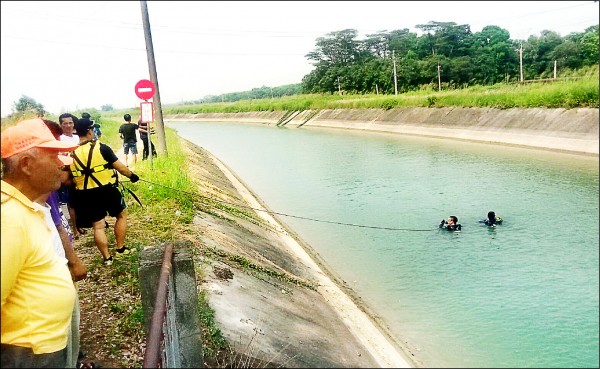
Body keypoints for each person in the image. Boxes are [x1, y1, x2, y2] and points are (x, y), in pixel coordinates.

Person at [1, 118, 79, 368]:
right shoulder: (7, 218)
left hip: (39, 348)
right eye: (54, 157)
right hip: (27, 353)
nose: (60, 165)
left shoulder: (27, 206)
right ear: (26, 164)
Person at [41, 119, 89, 368]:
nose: (62, 166)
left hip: (61, 276)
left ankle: (75, 357)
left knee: (71, 329)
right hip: (41, 330)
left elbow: (59, 224)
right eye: (53, 157)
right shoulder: (14, 214)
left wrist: (72, 259)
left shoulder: (46, 196)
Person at [69, 117, 140, 265]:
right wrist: (132, 176)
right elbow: (120, 168)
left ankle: (107, 258)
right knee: (121, 215)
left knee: (98, 226)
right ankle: (120, 249)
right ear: (89, 131)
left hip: (85, 194)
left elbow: (67, 178)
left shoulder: (72, 154)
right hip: (107, 189)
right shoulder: (101, 148)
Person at [58, 113, 84, 239]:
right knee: (71, 203)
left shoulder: (77, 138)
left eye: (70, 123)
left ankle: (80, 224)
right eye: (65, 123)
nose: (68, 125)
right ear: (61, 125)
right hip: (68, 175)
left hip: (81, 173)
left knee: (80, 201)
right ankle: (74, 229)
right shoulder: (59, 140)